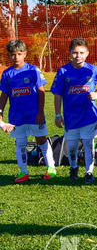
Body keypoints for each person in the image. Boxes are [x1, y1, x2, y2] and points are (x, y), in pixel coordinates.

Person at [0, 39, 56, 182]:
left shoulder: (33, 70)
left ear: (25, 54)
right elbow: (4, 95)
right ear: (9, 55)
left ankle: (51, 168)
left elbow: (41, 92)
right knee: (20, 143)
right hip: (17, 116)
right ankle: (23, 172)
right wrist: (0, 112)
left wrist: (40, 112)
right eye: (13, 54)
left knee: (41, 139)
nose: (16, 57)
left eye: (19, 54)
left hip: (34, 114)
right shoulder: (7, 74)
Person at [51, 37, 97, 184]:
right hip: (71, 117)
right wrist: (58, 114)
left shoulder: (93, 69)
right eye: (75, 52)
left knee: (88, 144)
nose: (78, 56)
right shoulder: (63, 71)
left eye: (81, 52)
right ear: (70, 53)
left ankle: (89, 172)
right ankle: (73, 168)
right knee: (72, 147)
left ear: (87, 53)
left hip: (89, 115)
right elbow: (57, 94)